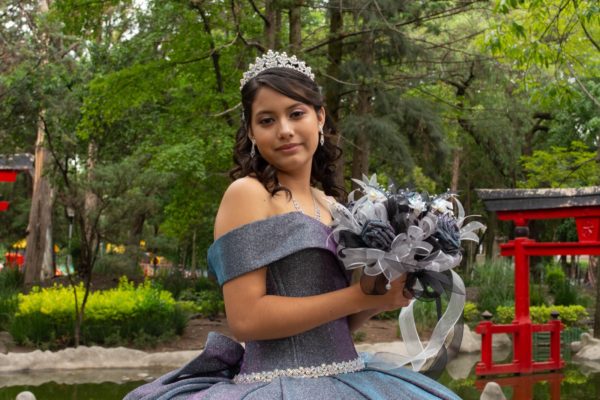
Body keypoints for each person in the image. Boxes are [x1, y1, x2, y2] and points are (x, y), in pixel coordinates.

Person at [124, 50, 460, 400]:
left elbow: (339, 324)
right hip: (274, 385)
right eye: (267, 120)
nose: (284, 130)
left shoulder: (333, 206)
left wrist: (382, 297)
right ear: (252, 132)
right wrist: (358, 295)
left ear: (320, 117)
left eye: (296, 114)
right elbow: (245, 319)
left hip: (349, 377)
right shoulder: (248, 194)